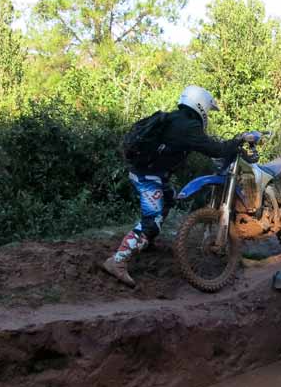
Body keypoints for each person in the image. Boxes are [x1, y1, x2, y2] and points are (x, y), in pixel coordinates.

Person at [102, 85, 253, 288]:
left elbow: (204, 144)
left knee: (168, 197)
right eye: (207, 109)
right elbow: (215, 149)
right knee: (152, 219)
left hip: (149, 173)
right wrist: (238, 141)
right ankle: (118, 261)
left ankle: (147, 242)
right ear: (199, 105)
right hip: (148, 178)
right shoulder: (188, 127)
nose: (207, 113)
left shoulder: (175, 119)